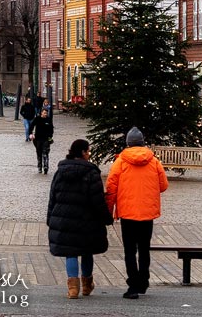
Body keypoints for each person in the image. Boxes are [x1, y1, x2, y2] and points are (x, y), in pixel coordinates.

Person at [106, 127, 169, 299]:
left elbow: (111, 189)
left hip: (128, 213)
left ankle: (133, 285)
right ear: (142, 143)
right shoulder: (154, 161)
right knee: (144, 248)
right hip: (147, 213)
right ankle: (143, 280)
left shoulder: (120, 162)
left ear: (127, 143)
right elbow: (163, 186)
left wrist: (108, 211)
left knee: (129, 250)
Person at [47, 139, 112, 299]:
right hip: (86, 220)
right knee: (86, 251)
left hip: (65, 219)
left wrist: (50, 218)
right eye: (88, 151)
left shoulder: (60, 172)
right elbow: (97, 200)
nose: (89, 154)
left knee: (71, 252)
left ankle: (73, 289)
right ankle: (87, 285)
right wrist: (106, 218)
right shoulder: (91, 173)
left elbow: (52, 197)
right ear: (83, 152)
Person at [30, 108, 54, 174]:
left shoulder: (48, 119)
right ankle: (39, 167)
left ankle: (46, 166)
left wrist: (50, 136)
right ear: (41, 113)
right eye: (44, 113)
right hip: (38, 139)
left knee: (45, 152)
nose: (45, 114)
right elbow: (32, 125)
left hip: (46, 139)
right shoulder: (37, 119)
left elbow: (51, 129)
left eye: (46, 113)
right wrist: (30, 133)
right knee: (39, 153)